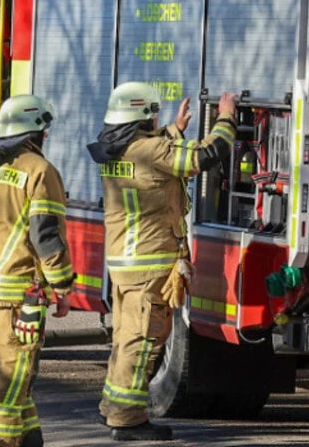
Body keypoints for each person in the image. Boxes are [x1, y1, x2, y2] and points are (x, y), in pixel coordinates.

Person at [86, 84, 237, 441]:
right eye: (152, 115)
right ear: (141, 116)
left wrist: (173, 132)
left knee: (126, 339)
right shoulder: (151, 150)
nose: (156, 119)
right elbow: (205, 156)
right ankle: (128, 421)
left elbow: (154, 164)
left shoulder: (116, 150)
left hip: (125, 264)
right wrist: (227, 117)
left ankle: (113, 408)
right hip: (148, 265)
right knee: (143, 342)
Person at [0, 94, 74, 447]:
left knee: (20, 373)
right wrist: (62, 285)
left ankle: (30, 439)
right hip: (16, 292)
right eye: (45, 129)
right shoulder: (39, 171)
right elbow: (45, 235)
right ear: (35, 132)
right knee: (14, 376)